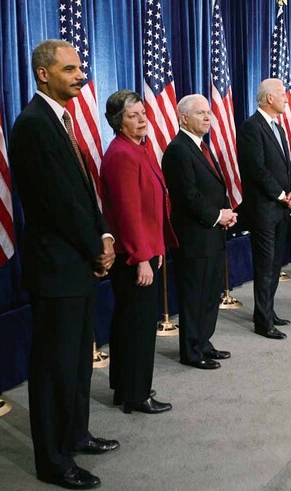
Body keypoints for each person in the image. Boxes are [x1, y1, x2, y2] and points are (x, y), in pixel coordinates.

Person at [8, 39, 118, 489]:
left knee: (76, 360)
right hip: (56, 266)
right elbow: (56, 203)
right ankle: (53, 461)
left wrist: (104, 236)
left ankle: (76, 433)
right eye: (70, 69)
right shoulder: (34, 125)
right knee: (54, 368)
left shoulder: (62, 123)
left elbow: (82, 194)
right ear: (43, 74)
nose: (81, 75)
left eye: (80, 68)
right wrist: (96, 247)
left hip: (76, 262)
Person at [100, 90, 177, 414]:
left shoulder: (139, 149)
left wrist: (155, 246)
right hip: (132, 257)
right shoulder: (121, 155)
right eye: (133, 115)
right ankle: (136, 394)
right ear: (119, 122)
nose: (143, 119)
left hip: (142, 249)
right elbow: (128, 213)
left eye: (143, 112)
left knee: (129, 322)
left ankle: (124, 386)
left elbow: (151, 206)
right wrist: (142, 257)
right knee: (139, 327)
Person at [162, 94, 237, 369]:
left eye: (209, 113)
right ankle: (191, 351)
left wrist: (225, 214)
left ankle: (204, 342)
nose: (208, 118)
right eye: (201, 113)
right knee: (195, 295)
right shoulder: (178, 150)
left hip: (212, 233)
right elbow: (188, 196)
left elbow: (215, 187)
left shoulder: (201, 146)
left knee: (209, 293)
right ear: (183, 117)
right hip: (194, 237)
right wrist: (218, 215)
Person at [237, 78, 291, 340]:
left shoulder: (280, 128)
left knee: (275, 264)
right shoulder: (252, 127)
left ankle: (268, 311)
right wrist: (281, 194)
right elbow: (256, 169)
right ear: (269, 98)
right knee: (264, 265)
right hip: (264, 208)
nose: (286, 99)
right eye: (283, 94)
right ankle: (263, 322)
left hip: (282, 207)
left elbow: (287, 165)